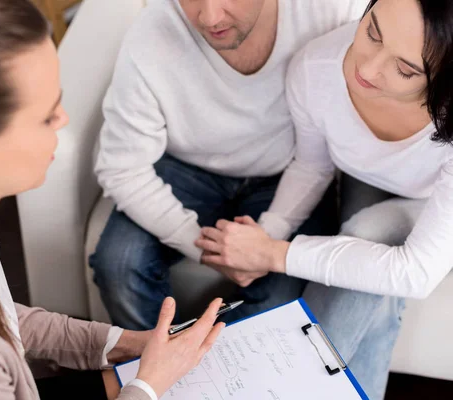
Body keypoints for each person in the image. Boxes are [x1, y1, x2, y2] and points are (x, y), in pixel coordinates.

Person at [0, 1, 225, 399]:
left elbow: (0, 318)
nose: (65, 120)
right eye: (47, 115)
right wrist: (148, 385)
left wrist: (121, 344)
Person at [195, 0, 453, 398]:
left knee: (365, 235)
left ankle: (286, 388)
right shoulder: (316, 68)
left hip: (438, 196)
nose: (365, 69)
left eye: (405, 69)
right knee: (370, 284)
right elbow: (312, 166)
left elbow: (416, 274)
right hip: (369, 177)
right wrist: (263, 237)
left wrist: (275, 253)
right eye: (372, 31)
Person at [90, 0, 368, 331]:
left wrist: (264, 243)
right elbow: (121, 167)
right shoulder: (151, 34)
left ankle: (220, 377)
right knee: (118, 265)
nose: (209, 17)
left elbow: (318, 158)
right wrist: (209, 250)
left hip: (288, 172)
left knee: (280, 304)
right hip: (184, 169)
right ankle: (159, 371)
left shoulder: (331, 12)